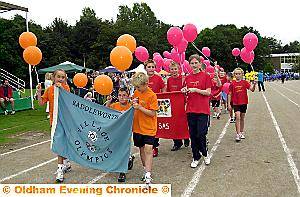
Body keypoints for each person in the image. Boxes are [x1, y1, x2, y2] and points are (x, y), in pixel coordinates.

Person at [37, 69, 71, 183]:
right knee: (58, 144)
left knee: (62, 143)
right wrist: (38, 92)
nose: (60, 79)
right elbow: (41, 102)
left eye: (63, 77)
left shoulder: (66, 88)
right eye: (59, 77)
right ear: (53, 78)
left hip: (65, 121)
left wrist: (60, 88)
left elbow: (67, 101)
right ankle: (61, 168)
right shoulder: (49, 90)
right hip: (55, 122)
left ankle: (64, 165)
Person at [181, 54, 212, 168]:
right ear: (189, 65)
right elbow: (186, 91)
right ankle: (196, 156)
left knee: (201, 134)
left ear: (200, 64)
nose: (194, 65)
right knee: (193, 135)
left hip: (203, 110)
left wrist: (196, 90)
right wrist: (185, 90)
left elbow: (208, 92)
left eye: (196, 63)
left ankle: (204, 152)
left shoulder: (206, 76)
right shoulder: (188, 78)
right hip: (191, 109)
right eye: (192, 63)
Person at [131, 72, 158, 187]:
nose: (137, 89)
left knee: (148, 149)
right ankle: (145, 169)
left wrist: (140, 107)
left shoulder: (152, 95)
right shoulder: (136, 92)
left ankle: (148, 174)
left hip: (149, 128)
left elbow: (152, 113)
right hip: (137, 127)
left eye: (138, 86)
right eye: (136, 87)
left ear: (146, 84)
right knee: (141, 150)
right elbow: (134, 105)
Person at [105, 87, 135, 183]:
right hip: (116, 132)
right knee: (116, 149)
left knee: (123, 149)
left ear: (128, 96)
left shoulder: (131, 106)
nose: (122, 97)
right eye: (120, 95)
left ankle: (122, 171)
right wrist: (108, 102)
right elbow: (104, 112)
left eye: (124, 95)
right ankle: (129, 158)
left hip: (127, 132)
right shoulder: (114, 105)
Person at [144, 59, 166, 157]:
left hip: (155, 106)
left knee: (155, 126)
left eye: (153, 67)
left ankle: (154, 147)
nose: (151, 68)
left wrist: (163, 96)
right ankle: (148, 145)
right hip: (145, 106)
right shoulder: (143, 78)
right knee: (147, 127)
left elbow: (164, 88)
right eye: (149, 67)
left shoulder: (158, 78)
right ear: (146, 68)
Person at [228, 68, 256, 142]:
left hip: (244, 102)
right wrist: (229, 104)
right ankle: (238, 134)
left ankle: (241, 132)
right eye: (236, 74)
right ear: (234, 75)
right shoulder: (232, 84)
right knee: (237, 117)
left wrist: (254, 84)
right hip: (236, 103)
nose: (237, 75)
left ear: (242, 74)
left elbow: (252, 90)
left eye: (239, 74)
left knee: (242, 118)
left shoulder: (245, 82)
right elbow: (229, 94)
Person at [166, 61, 190, 151]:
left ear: (179, 69)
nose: (174, 71)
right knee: (174, 124)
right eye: (172, 69)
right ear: (170, 70)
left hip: (183, 104)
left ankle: (186, 137)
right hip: (173, 105)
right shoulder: (169, 80)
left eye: (175, 69)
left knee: (184, 122)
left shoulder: (183, 78)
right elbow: (168, 92)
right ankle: (177, 143)